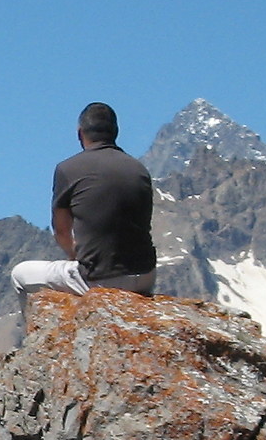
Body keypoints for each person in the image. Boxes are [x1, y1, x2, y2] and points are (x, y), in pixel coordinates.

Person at [11, 102, 157, 315]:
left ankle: (37, 342)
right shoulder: (139, 169)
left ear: (80, 134)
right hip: (145, 275)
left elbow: (61, 230)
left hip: (99, 278)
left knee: (20, 274)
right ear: (116, 132)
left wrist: (73, 255)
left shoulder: (68, 169)